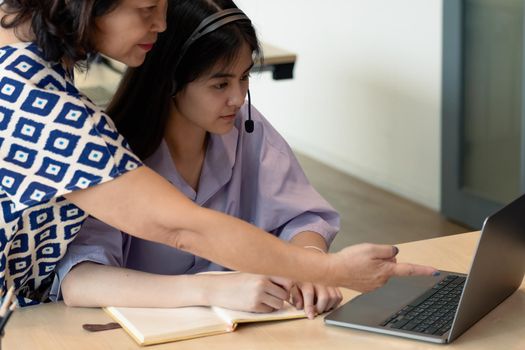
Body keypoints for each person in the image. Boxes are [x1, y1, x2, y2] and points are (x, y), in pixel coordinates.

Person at [0, 0, 438, 307]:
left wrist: (312, 261)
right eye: (147, 9)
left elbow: (301, 218)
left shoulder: (32, 60)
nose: (160, 24)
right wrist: (331, 271)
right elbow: (179, 228)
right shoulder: (44, 103)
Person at [53, 0, 342, 319]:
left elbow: (301, 218)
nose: (238, 98)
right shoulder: (110, 150)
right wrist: (212, 289)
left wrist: (309, 262)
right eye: (220, 84)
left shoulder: (247, 128)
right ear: (171, 80)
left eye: (244, 78)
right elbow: (81, 279)